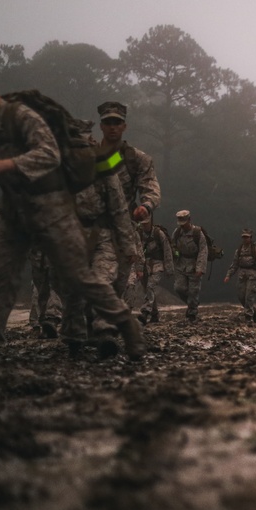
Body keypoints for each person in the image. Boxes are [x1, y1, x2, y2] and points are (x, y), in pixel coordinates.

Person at [0, 60, 145, 362]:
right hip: (12, 212)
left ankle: (125, 323)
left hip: (52, 207)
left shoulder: (22, 117)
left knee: (77, 277)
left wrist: (5, 164)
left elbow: (49, 153)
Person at [57, 143, 139, 358]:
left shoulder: (106, 170)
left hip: (102, 236)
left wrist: (128, 246)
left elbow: (120, 210)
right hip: (71, 238)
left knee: (103, 283)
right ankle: (75, 339)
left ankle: (105, 332)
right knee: (73, 290)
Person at [95, 101, 161, 300]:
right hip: (92, 229)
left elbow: (151, 187)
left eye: (117, 122)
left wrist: (146, 206)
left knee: (118, 284)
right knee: (99, 278)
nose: (113, 127)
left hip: (124, 230)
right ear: (101, 126)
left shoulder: (136, 159)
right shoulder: (86, 154)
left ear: (124, 126)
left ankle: (101, 322)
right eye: (108, 122)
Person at [224, 229, 256, 324]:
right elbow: (234, 264)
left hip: (254, 275)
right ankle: (254, 312)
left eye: (247, 237)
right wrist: (228, 275)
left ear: (250, 238)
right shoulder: (239, 250)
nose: (245, 239)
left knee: (249, 296)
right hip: (242, 275)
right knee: (241, 296)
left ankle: (248, 317)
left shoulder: (255, 250)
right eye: (243, 237)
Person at [134, 217, 174, 325]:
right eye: (143, 224)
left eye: (146, 224)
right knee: (147, 289)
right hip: (144, 265)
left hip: (158, 264)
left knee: (150, 286)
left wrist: (169, 268)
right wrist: (137, 268)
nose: (144, 226)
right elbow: (137, 251)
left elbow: (167, 250)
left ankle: (145, 312)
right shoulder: (139, 234)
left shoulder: (158, 234)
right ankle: (155, 315)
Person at [172, 210, 208, 322]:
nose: (182, 226)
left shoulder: (198, 233)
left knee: (193, 291)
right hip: (181, 264)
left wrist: (200, 268)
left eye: (184, 223)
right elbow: (172, 245)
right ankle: (193, 303)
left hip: (194, 264)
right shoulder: (177, 232)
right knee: (179, 288)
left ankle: (192, 313)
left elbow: (203, 251)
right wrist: (174, 254)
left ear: (189, 220)